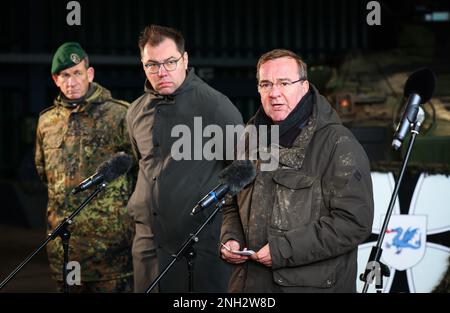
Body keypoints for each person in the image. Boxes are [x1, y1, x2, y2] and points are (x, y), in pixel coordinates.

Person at [220, 49, 374, 293]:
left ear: (304, 86)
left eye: (284, 83)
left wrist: (284, 250)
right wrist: (231, 237)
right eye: (266, 84)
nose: (275, 93)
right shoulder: (247, 138)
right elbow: (230, 201)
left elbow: (353, 222)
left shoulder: (338, 143)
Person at [127, 24, 243, 293]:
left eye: (170, 62)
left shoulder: (216, 107)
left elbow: (242, 176)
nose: (162, 72)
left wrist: (233, 235)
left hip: (199, 247)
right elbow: (143, 168)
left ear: (185, 59)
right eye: (152, 65)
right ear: (143, 65)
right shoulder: (135, 112)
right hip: (147, 247)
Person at [35, 42, 134, 292]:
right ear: (56, 79)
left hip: (111, 251)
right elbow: (44, 173)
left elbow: (140, 171)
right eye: (65, 75)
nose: (71, 81)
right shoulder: (47, 122)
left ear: (89, 74)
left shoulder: (120, 115)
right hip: (65, 251)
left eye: (77, 73)